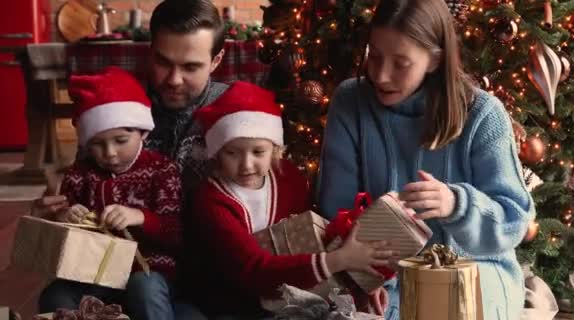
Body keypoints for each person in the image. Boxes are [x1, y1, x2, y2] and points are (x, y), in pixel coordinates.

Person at [316, 0, 536, 319]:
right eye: (374, 56)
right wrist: (364, 275)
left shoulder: (483, 115)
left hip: (474, 268)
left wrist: (457, 205)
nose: (380, 75)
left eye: (401, 63)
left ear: (435, 60)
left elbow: (514, 219)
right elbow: (335, 210)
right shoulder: (350, 103)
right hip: (380, 274)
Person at [188, 81, 395, 318]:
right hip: (232, 304)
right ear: (215, 152)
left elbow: (312, 239)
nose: (246, 165)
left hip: (289, 298)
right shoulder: (211, 200)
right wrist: (339, 260)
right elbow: (253, 271)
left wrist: (361, 285)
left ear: (275, 149)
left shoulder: (288, 179)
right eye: (232, 152)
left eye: (258, 152)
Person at [34, 0, 228, 221]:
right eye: (163, 62)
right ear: (150, 51)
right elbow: (84, 187)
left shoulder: (235, 113)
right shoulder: (115, 105)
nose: (174, 80)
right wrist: (55, 214)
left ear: (216, 60)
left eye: (190, 67)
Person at [38, 67, 183, 320]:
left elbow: (177, 232)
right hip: (93, 273)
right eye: (97, 144)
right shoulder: (80, 174)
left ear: (143, 132)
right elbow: (62, 230)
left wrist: (140, 217)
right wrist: (67, 216)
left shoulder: (162, 171)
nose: (110, 153)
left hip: (149, 271)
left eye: (120, 140)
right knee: (55, 295)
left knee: (145, 290)